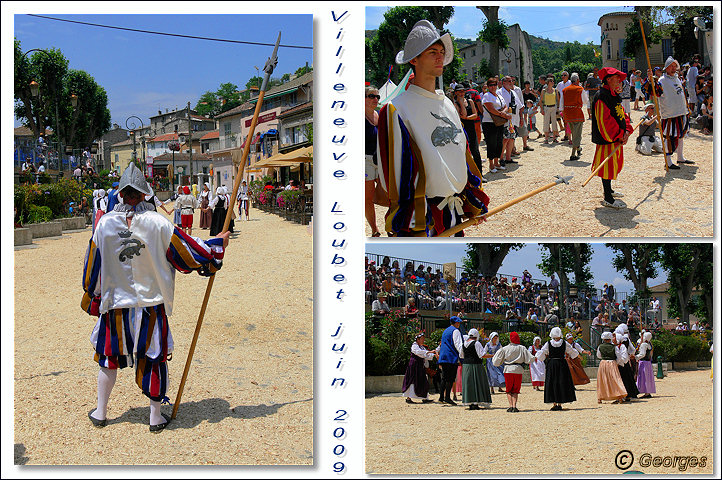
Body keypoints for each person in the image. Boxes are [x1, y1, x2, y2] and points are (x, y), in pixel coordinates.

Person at [83, 162, 229, 432]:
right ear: (143, 194)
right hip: (150, 304)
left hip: (116, 304)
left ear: (121, 194)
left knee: (109, 358)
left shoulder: (103, 225)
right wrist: (215, 247)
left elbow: (93, 266)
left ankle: (101, 412)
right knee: (154, 356)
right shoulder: (158, 223)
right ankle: (154, 417)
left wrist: (92, 295)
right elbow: (186, 251)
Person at [377, 20, 489, 237]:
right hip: (423, 220)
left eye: (441, 51)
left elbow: (462, 156)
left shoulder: (447, 103)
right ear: (414, 60)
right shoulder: (397, 109)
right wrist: (412, 225)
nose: (440, 57)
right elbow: (396, 177)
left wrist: (473, 202)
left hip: (452, 214)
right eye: (432, 52)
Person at [591, 67, 633, 209]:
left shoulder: (613, 95)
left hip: (617, 138)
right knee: (606, 167)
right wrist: (618, 135)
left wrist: (627, 130)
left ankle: (609, 191)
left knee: (612, 165)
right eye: (617, 78)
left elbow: (622, 114)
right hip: (608, 139)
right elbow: (605, 122)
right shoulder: (602, 96)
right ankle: (608, 198)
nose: (620, 81)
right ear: (608, 79)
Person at [648, 57, 692, 168]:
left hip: (682, 112)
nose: (673, 69)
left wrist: (687, 108)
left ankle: (680, 157)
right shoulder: (662, 80)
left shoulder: (677, 79)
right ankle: (668, 161)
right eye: (671, 66)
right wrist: (650, 79)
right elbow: (655, 91)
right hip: (670, 114)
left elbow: (682, 95)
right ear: (666, 68)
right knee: (669, 138)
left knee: (681, 135)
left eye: (674, 66)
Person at [535, 327, 577, 410]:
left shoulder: (548, 343)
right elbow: (572, 352)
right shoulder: (564, 343)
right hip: (562, 363)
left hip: (552, 364)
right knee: (561, 382)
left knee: (552, 382)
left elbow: (543, 352)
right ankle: (560, 403)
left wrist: (537, 357)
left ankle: (554, 403)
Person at [492, 331, 533, 412]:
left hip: (508, 369)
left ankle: (510, 406)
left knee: (509, 389)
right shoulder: (522, 348)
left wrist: (499, 363)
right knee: (516, 389)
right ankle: (514, 406)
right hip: (518, 369)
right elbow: (530, 358)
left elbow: (496, 360)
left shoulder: (505, 348)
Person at [453, 83, 483, 174]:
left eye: (463, 91)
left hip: (471, 128)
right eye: (459, 91)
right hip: (462, 131)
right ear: (456, 93)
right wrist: (461, 103)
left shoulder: (470, 101)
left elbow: (475, 115)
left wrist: (467, 118)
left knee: (476, 152)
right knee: (465, 153)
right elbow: (462, 115)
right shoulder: (455, 104)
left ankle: (479, 173)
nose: (462, 93)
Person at [481, 77, 509, 173]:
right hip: (489, 123)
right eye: (491, 85)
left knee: (499, 142)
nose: (493, 87)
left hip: (499, 122)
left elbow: (505, 106)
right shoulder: (487, 96)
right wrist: (503, 114)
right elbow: (491, 109)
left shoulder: (498, 96)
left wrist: (503, 112)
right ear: (488, 87)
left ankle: (497, 162)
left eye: (494, 85)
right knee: (491, 143)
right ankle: (491, 164)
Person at [365, 85, 383, 237]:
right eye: (371, 96)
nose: (375, 99)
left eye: (377, 97)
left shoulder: (378, 115)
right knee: (368, 198)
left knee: (389, 191)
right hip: (364, 161)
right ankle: (375, 229)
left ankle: (392, 222)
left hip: (380, 159)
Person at [461, 328, 493, 410]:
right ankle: (476, 402)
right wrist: (493, 355)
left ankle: (470, 402)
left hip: (466, 366)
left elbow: (461, 355)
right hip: (476, 365)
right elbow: (482, 355)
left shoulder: (464, 344)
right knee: (477, 383)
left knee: (469, 384)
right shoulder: (476, 343)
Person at [402, 333, 437, 404]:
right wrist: (429, 352)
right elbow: (418, 352)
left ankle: (424, 397)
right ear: (418, 339)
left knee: (423, 381)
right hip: (414, 366)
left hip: (420, 366)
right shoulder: (414, 346)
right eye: (422, 339)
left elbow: (425, 355)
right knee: (412, 381)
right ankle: (408, 398)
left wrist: (434, 354)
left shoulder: (422, 347)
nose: (423, 340)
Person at [436, 316, 463, 405]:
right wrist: (462, 355)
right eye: (458, 322)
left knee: (444, 378)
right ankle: (447, 397)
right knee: (451, 378)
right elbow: (458, 344)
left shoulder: (446, 331)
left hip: (444, 356)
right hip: (451, 357)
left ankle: (441, 397)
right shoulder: (455, 331)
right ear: (455, 323)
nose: (459, 324)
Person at [596, 331, 628, 404]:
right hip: (612, 363)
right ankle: (619, 396)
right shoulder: (614, 347)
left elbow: (599, 356)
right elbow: (619, 357)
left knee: (602, 380)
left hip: (603, 363)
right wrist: (616, 362)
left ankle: (600, 398)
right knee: (615, 379)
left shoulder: (600, 346)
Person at [499, 76, 522, 167]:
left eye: (512, 81)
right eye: (509, 81)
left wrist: (521, 118)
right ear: (503, 83)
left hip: (514, 119)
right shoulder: (499, 92)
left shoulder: (513, 92)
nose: (511, 82)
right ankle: (501, 158)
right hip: (505, 120)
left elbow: (519, 106)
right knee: (505, 139)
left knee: (512, 138)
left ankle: (508, 158)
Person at [563, 73, 585, 161]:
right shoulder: (580, 89)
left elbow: (562, 102)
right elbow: (585, 101)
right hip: (577, 113)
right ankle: (573, 154)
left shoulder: (565, 90)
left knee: (573, 132)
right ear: (578, 80)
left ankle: (578, 149)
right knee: (577, 134)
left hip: (568, 113)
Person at [635, 331, 655, 398]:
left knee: (644, 377)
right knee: (647, 377)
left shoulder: (644, 345)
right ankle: (647, 392)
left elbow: (642, 354)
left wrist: (635, 357)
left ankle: (646, 392)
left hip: (643, 362)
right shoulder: (649, 344)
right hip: (648, 363)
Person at [540, 76, 559, 143]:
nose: (553, 82)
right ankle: (546, 138)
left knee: (554, 122)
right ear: (548, 82)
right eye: (551, 81)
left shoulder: (555, 90)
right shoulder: (544, 91)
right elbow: (541, 100)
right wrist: (542, 109)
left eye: (553, 81)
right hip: (546, 107)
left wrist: (558, 108)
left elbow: (557, 100)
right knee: (546, 123)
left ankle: (554, 138)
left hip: (553, 107)